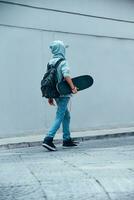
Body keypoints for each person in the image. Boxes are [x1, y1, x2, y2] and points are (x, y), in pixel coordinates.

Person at [42, 40, 78, 151]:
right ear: (61, 49)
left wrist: (50, 96)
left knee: (66, 116)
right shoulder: (63, 62)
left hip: (55, 93)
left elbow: (50, 80)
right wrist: (73, 87)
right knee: (60, 116)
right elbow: (66, 75)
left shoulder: (50, 62)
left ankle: (67, 140)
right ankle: (48, 139)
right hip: (63, 93)